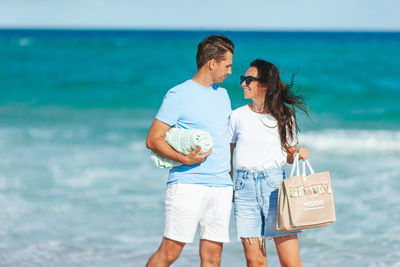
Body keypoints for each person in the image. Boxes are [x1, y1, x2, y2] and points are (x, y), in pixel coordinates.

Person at [146, 35, 234, 267]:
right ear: (212, 63)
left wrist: (231, 180)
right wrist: (182, 158)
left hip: (221, 187)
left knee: (213, 258)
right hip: (188, 185)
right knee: (170, 253)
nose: (230, 72)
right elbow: (153, 139)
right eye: (228, 66)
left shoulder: (223, 95)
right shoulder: (178, 94)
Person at [229, 59, 310, 267]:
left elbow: (290, 155)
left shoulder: (284, 116)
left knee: (290, 262)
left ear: (264, 84)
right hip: (244, 190)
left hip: (275, 189)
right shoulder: (237, 116)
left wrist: (298, 153)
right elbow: (227, 154)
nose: (243, 84)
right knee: (254, 262)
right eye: (242, 79)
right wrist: (229, 185)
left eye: (248, 80)